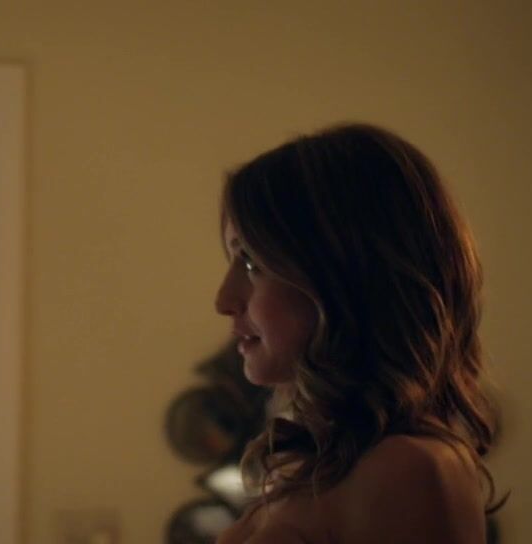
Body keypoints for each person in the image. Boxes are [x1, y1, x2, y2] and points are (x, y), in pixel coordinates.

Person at [212, 123, 505, 543]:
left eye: (251, 262)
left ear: (346, 274)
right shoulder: (314, 466)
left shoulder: (408, 470)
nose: (223, 299)